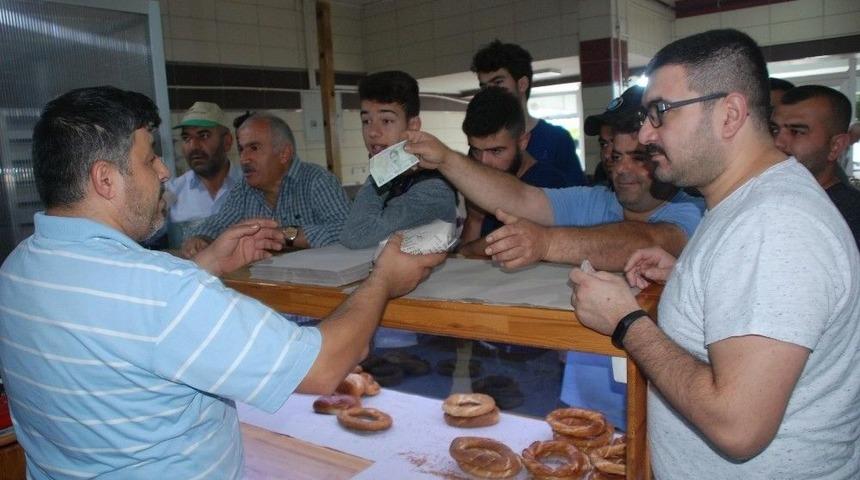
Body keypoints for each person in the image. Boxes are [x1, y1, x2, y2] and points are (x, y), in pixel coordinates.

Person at [0, 86, 444, 479]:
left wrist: (206, 264)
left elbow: (121, 319)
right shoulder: (160, 288)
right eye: (150, 157)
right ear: (105, 179)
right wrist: (383, 280)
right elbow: (324, 367)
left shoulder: (17, 270)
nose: (163, 172)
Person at [570, 29, 860, 479]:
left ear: (729, 114)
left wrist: (626, 323)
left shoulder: (774, 225)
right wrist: (689, 276)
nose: (646, 133)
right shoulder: (747, 204)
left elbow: (738, 426)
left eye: (659, 113)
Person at [404, 87, 703, 430]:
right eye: (612, 153)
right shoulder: (595, 201)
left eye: (636, 156)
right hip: (580, 401)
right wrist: (447, 159)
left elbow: (645, 241)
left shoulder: (692, 210)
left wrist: (545, 243)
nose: (621, 169)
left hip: (661, 412)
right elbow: (520, 197)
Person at [181, 112, 349, 257]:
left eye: (254, 148)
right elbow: (219, 224)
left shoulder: (316, 180)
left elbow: (346, 231)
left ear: (284, 154)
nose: (244, 159)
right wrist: (200, 238)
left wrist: (284, 235)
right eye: (241, 149)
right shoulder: (244, 189)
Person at [340, 70, 457, 249]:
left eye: (386, 121)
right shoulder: (394, 178)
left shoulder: (433, 190)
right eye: (366, 121)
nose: (372, 132)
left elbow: (356, 237)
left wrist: (378, 174)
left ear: (413, 126)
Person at [458, 86, 571, 258]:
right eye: (476, 150)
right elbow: (465, 265)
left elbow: (521, 245)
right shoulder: (477, 175)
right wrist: (475, 219)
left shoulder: (550, 185)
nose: (483, 162)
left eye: (496, 151)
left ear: (523, 142)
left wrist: (467, 250)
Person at [471, 40, 586, 186]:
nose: (490, 92)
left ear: (522, 84)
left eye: (498, 82)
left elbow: (576, 198)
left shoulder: (556, 139)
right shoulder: (480, 145)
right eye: (484, 86)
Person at [772, 85, 860, 250]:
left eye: (797, 131)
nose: (778, 142)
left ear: (836, 146)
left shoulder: (851, 217)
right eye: (774, 130)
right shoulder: (770, 201)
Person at [164, 101, 242, 247]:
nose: (194, 146)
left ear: (227, 142)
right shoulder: (171, 193)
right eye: (186, 138)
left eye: (204, 135)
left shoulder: (251, 186)